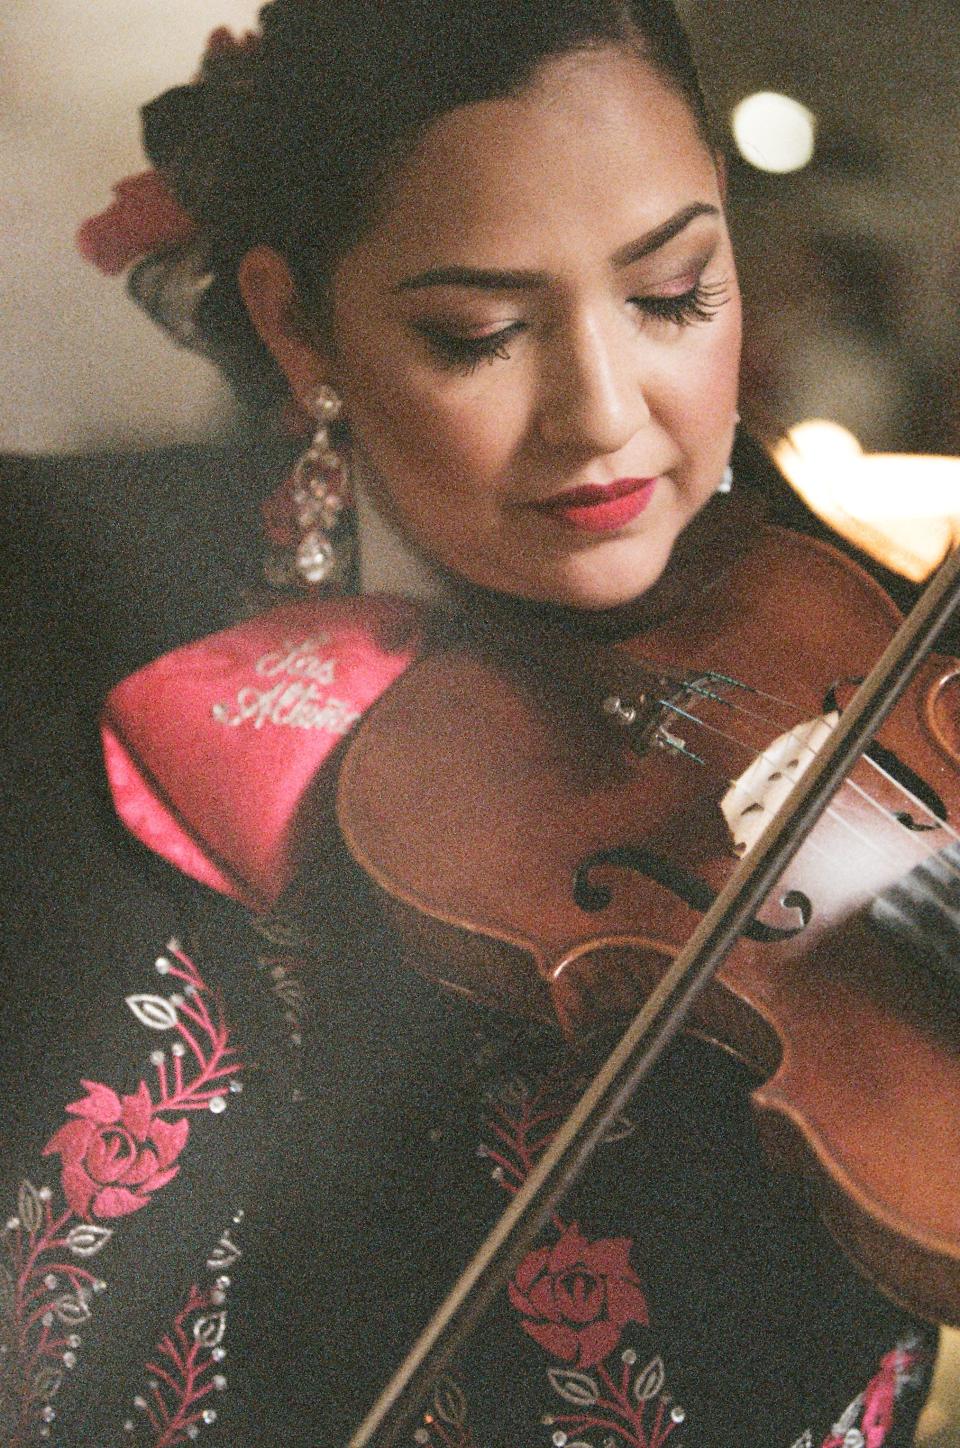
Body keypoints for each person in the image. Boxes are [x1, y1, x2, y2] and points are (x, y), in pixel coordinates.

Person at [0, 2, 947, 1445]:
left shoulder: (902, 666)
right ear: (293, 320)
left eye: (678, 292)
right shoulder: (50, 595)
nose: (606, 413)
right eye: (481, 332)